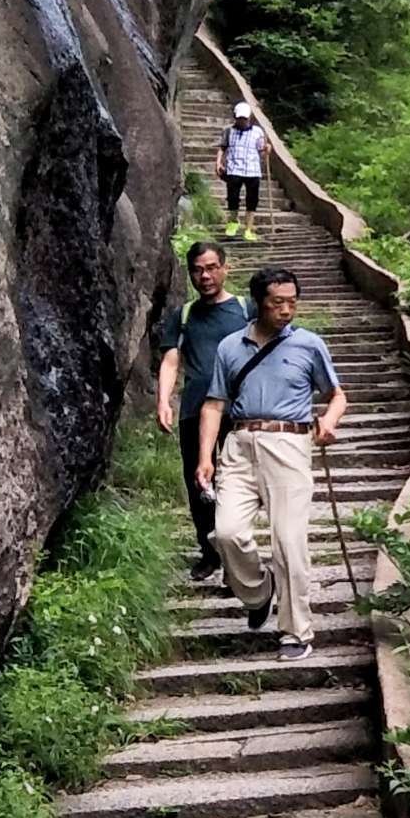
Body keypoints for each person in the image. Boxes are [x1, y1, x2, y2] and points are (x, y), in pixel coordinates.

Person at [194, 264, 348, 662]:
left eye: (292, 302)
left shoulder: (309, 345)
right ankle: (259, 593)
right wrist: (204, 458)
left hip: (289, 444)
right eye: (278, 302)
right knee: (226, 533)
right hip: (239, 445)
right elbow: (214, 404)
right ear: (259, 303)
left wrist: (328, 421)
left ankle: (296, 632)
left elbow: (337, 395)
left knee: (289, 543)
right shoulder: (230, 347)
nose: (286, 310)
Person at [154, 240, 249, 582]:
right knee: (199, 481)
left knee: (236, 482)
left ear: (225, 268)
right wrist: (164, 400)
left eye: (211, 268)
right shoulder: (184, 315)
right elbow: (170, 359)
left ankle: (235, 558)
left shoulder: (245, 308)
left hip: (239, 410)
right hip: (195, 408)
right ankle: (209, 553)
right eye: (197, 270)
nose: (205, 276)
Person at [218, 102, 269, 237]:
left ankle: (248, 228)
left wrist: (267, 149)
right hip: (234, 168)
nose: (242, 121)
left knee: (252, 199)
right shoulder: (228, 131)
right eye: (239, 118)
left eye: (244, 118)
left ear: (249, 117)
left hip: (253, 170)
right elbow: (222, 147)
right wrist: (218, 163)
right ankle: (233, 222)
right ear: (235, 117)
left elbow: (261, 152)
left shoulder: (258, 132)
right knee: (232, 197)